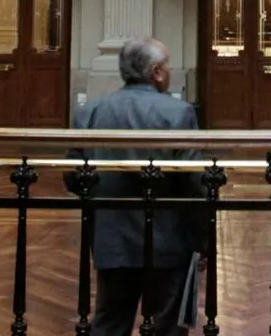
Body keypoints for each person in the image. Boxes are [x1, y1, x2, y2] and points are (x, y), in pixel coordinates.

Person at [73, 37, 204, 336]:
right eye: (167, 65)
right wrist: (202, 242)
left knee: (110, 324)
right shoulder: (179, 113)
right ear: (157, 72)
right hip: (168, 242)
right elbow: (194, 183)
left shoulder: (91, 112)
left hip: (112, 238)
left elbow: (74, 177)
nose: (169, 71)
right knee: (167, 327)